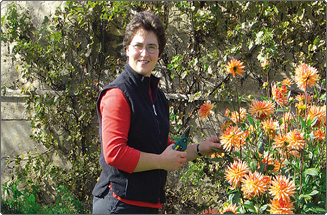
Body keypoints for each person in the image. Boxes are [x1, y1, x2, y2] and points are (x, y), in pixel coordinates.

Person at [92, 11, 223, 214]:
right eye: (138, 46)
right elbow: (115, 153)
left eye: (151, 47)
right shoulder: (117, 95)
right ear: (127, 49)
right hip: (119, 204)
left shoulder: (157, 96)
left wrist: (200, 148)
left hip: (148, 205)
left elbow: (162, 149)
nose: (144, 53)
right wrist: (162, 161)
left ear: (159, 52)